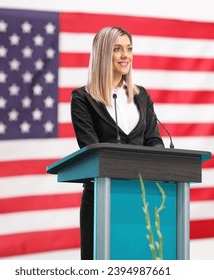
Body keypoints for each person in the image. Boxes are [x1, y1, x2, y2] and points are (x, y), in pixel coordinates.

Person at [70, 26, 165, 260]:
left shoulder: (142, 96)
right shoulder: (83, 98)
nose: (126, 56)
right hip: (102, 199)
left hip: (141, 198)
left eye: (129, 49)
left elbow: (154, 141)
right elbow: (91, 152)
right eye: (117, 49)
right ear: (103, 54)